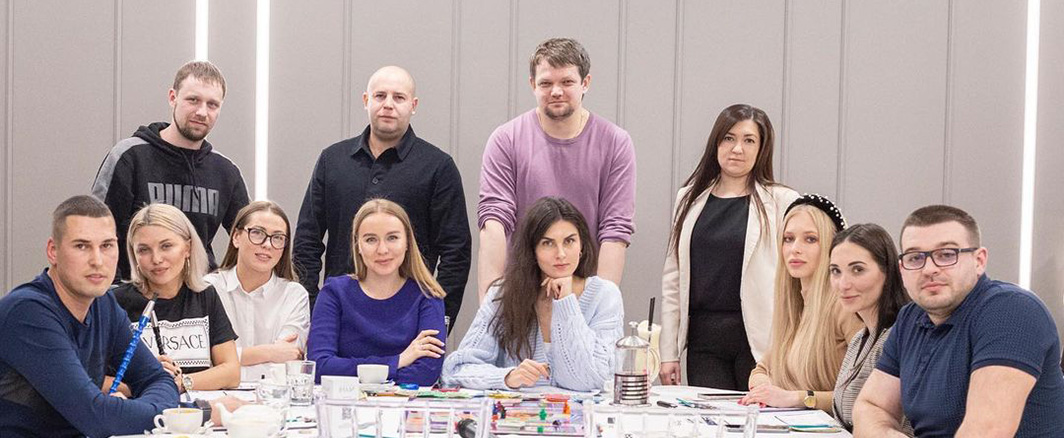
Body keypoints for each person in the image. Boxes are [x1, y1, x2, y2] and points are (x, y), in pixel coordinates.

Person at [854, 205, 1064, 437]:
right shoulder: (910, 318)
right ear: (902, 269)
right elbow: (871, 406)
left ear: (979, 261)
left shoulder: (1011, 310)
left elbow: (987, 430)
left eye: (946, 255)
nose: (929, 269)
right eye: (915, 258)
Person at [294, 66, 470, 327]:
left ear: (413, 105)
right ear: (366, 100)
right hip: (339, 316)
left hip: (408, 319)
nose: (388, 104)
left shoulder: (438, 167)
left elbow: (456, 252)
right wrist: (312, 307)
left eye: (399, 97)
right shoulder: (332, 160)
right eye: (380, 96)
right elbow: (307, 241)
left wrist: (437, 320)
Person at [0, 195, 178, 436]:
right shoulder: (27, 312)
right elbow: (97, 418)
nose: (97, 261)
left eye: (107, 245)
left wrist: (141, 412)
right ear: (53, 251)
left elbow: (157, 378)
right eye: (81, 246)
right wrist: (172, 415)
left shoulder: (104, 304)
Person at [477, 38, 636, 300]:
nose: (556, 91)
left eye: (567, 82)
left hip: (584, 290)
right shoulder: (505, 140)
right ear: (532, 84)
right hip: (522, 292)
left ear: (585, 83)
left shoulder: (615, 143)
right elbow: (494, 222)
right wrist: (490, 303)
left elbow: (615, 230)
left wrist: (598, 304)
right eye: (546, 83)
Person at [659, 104, 799, 389]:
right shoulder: (689, 198)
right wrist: (668, 352)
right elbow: (673, 279)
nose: (737, 149)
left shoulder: (781, 201)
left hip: (760, 339)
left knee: (758, 414)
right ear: (716, 143)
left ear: (762, 149)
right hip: (704, 340)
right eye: (729, 138)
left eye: (749, 140)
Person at [444, 197, 624, 391]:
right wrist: (507, 377)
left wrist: (566, 303)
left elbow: (595, 380)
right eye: (548, 243)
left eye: (569, 241)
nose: (561, 254)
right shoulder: (503, 294)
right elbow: (456, 370)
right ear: (532, 250)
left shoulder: (605, 296)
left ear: (581, 246)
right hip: (515, 411)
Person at [92, 60, 249, 281]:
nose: (202, 112)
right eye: (193, 100)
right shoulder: (129, 157)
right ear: (173, 98)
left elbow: (251, 238)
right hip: (135, 293)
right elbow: (98, 232)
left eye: (212, 104)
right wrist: (114, 293)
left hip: (197, 294)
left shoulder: (225, 171)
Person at [307, 199, 447, 386]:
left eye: (392, 238)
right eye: (371, 239)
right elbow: (320, 367)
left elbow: (425, 374)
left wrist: (351, 372)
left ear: (407, 242)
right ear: (358, 245)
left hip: (406, 404)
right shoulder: (333, 293)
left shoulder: (428, 296)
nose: (382, 250)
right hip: (344, 402)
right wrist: (398, 361)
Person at [740, 194, 860, 411]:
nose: (795, 248)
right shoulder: (793, 307)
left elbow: (861, 395)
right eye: (788, 239)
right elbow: (761, 370)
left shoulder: (844, 306)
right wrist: (765, 389)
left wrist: (798, 398)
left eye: (810, 239)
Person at [112, 203, 240, 394]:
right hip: (141, 407)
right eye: (144, 250)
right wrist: (146, 382)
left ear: (187, 248)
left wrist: (179, 383)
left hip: (196, 408)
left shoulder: (205, 295)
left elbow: (231, 372)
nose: (156, 259)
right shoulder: (115, 302)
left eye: (166, 246)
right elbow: (94, 380)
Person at [205, 201, 311, 381]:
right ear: (236, 237)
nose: (267, 244)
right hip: (215, 393)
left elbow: (287, 363)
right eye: (257, 233)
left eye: (278, 237)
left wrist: (227, 362)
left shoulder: (294, 295)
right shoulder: (209, 288)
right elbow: (204, 359)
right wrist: (269, 352)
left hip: (275, 394)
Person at [827, 223, 911, 434]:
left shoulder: (898, 338)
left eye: (858, 270)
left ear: (888, 272)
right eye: (836, 271)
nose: (843, 284)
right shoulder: (859, 339)